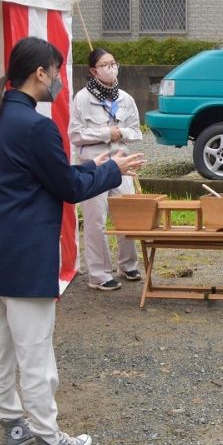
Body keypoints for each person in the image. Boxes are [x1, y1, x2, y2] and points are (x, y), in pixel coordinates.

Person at [0, 37, 145, 445]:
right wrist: (112, 170)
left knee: (0, 341)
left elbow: (48, 175)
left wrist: (96, 167)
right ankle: (49, 437)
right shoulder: (35, 125)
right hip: (26, 250)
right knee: (34, 348)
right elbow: (66, 188)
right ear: (40, 73)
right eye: (57, 72)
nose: (59, 81)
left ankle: (12, 424)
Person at [69, 48, 143, 291]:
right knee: (95, 219)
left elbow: (136, 131)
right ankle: (99, 273)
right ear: (93, 70)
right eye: (104, 64)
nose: (110, 68)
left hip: (122, 162)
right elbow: (75, 134)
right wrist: (104, 133)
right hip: (95, 163)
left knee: (128, 214)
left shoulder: (125, 98)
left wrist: (121, 133)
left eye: (113, 63)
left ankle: (128, 264)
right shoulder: (82, 98)